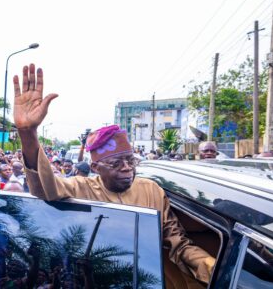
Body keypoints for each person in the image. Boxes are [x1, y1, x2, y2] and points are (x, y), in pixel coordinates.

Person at [13, 64, 215, 285]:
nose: (127, 168)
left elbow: (179, 244)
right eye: (116, 163)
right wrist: (27, 132)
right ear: (96, 168)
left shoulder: (151, 190)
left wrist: (213, 268)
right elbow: (44, 188)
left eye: (130, 161)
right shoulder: (81, 188)